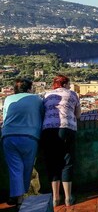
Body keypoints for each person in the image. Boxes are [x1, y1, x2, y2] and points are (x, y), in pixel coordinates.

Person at [1, 79, 43, 209]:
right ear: (29, 88)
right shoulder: (37, 99)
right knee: (27, 168)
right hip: (29, 137)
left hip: (9, 136)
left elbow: (5, 116)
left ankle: (17, 198)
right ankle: (22, 197)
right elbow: (42, 115)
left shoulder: (8, 99)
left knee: (15, 169)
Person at [42, 75, 81, 206]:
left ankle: (55, 198)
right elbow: (78, 115)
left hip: (48, 130)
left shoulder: (47, 95)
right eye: (68, 84)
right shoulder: (72, 94)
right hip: (66, 128)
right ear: (65, 84)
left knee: (52, 162)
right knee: (67, 161)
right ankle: (68, 198)